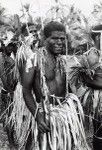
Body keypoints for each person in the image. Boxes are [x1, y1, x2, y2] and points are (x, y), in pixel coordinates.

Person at [11, 21, 89, 150]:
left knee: (65, 145)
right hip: (46, 113)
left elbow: (66, 88)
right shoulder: (34, 60)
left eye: (62, 39)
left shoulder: (62, 60)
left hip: (64, 114)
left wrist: (74, 107)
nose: (59, 42)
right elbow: (26, 90)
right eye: (54, 38)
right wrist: (38, 116)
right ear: (44, 39)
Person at [69, 24, 102, 150]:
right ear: (98, 37)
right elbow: (88, 80)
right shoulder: (93, 55)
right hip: (98, 99)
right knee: (100, 131)